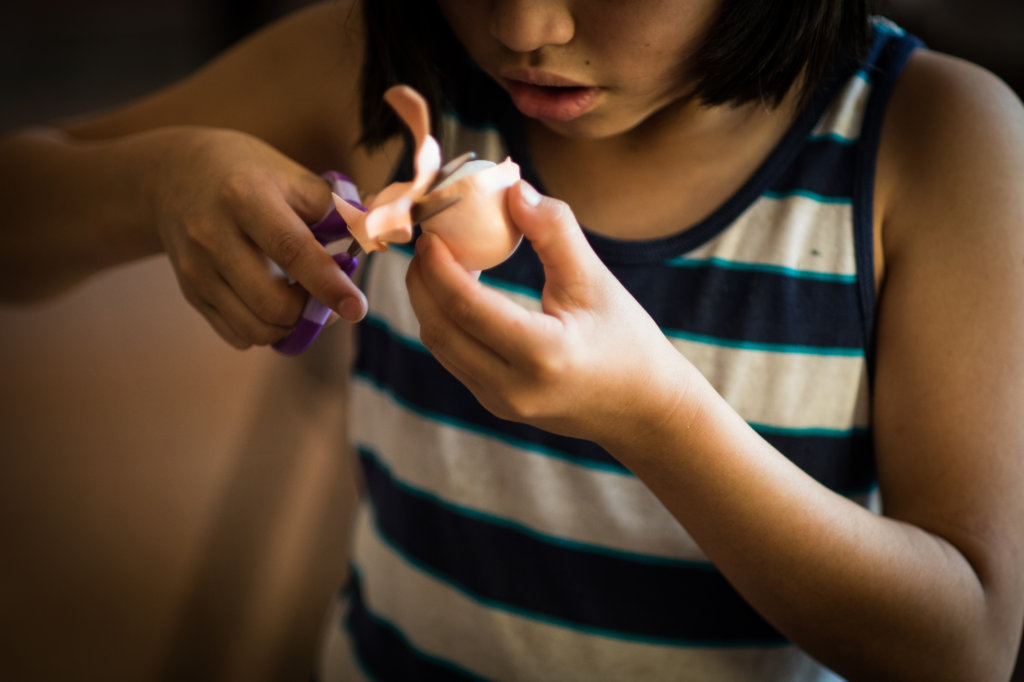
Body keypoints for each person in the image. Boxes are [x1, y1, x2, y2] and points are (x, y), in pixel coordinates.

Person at [2, 1, 1023, 679]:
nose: (527, 25)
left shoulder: (933, 146)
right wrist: (154, 182)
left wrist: (656, 420)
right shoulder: (374, 65)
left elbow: (962, 643)